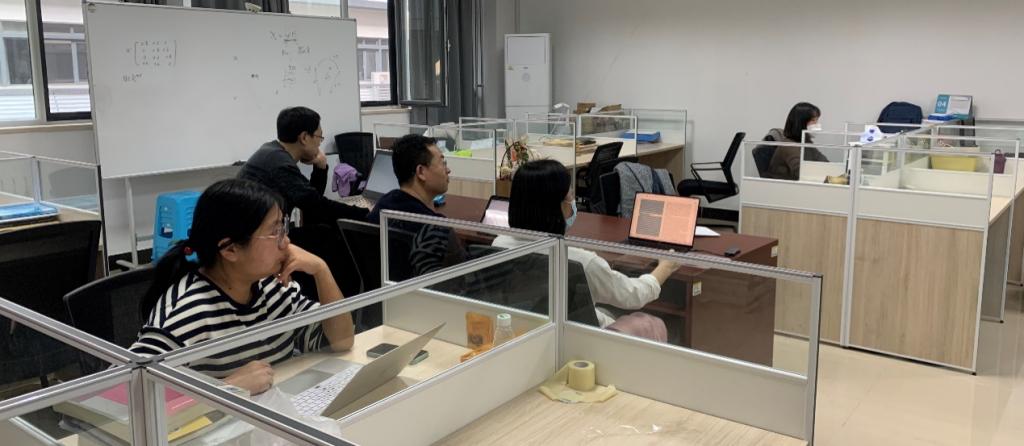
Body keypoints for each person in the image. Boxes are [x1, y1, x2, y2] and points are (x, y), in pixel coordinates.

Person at [131, 179, 354, 395]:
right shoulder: (183, 314)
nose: (286, 242)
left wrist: (321, 270)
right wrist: (228, 388)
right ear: (230, 249)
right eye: (274, 232)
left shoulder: (273, 287)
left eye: (283, 227)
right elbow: (133, 400)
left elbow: (341, 341)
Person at [493, 160, 679, 330]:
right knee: (651, 324)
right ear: (558, 207)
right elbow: (633, 295)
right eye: (571, 196)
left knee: (603, 312)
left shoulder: (499, 244)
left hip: (523, 328)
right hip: (575, 337)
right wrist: (666, 267)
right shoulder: (580, 262)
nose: (573, 203)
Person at [238, 106, 365, 298]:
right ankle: (338, 302)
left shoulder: (272, 152)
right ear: (304, 137)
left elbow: (308, 199)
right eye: (319, 137)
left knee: (323, 230)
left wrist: (320, 167)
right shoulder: (279, 164)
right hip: (256, 243)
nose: (320, 144)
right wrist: (364, 214)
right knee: (333, 239)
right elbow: (316, 205)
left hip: (259, 236)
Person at [368, 134, 462, 279]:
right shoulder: (436, 228)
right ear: (421, 172)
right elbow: (467, 278)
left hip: (384, 291)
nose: (448, 170)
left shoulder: (382, 206)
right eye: (443, 163)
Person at [764, 102, 829, 180]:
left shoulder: (805, 142)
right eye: (813, 121)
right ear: (800, 123)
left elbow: (823, 161)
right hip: (782, 186)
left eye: (817, 120)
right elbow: (802, 174)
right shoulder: (789, 146)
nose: (817, 124)